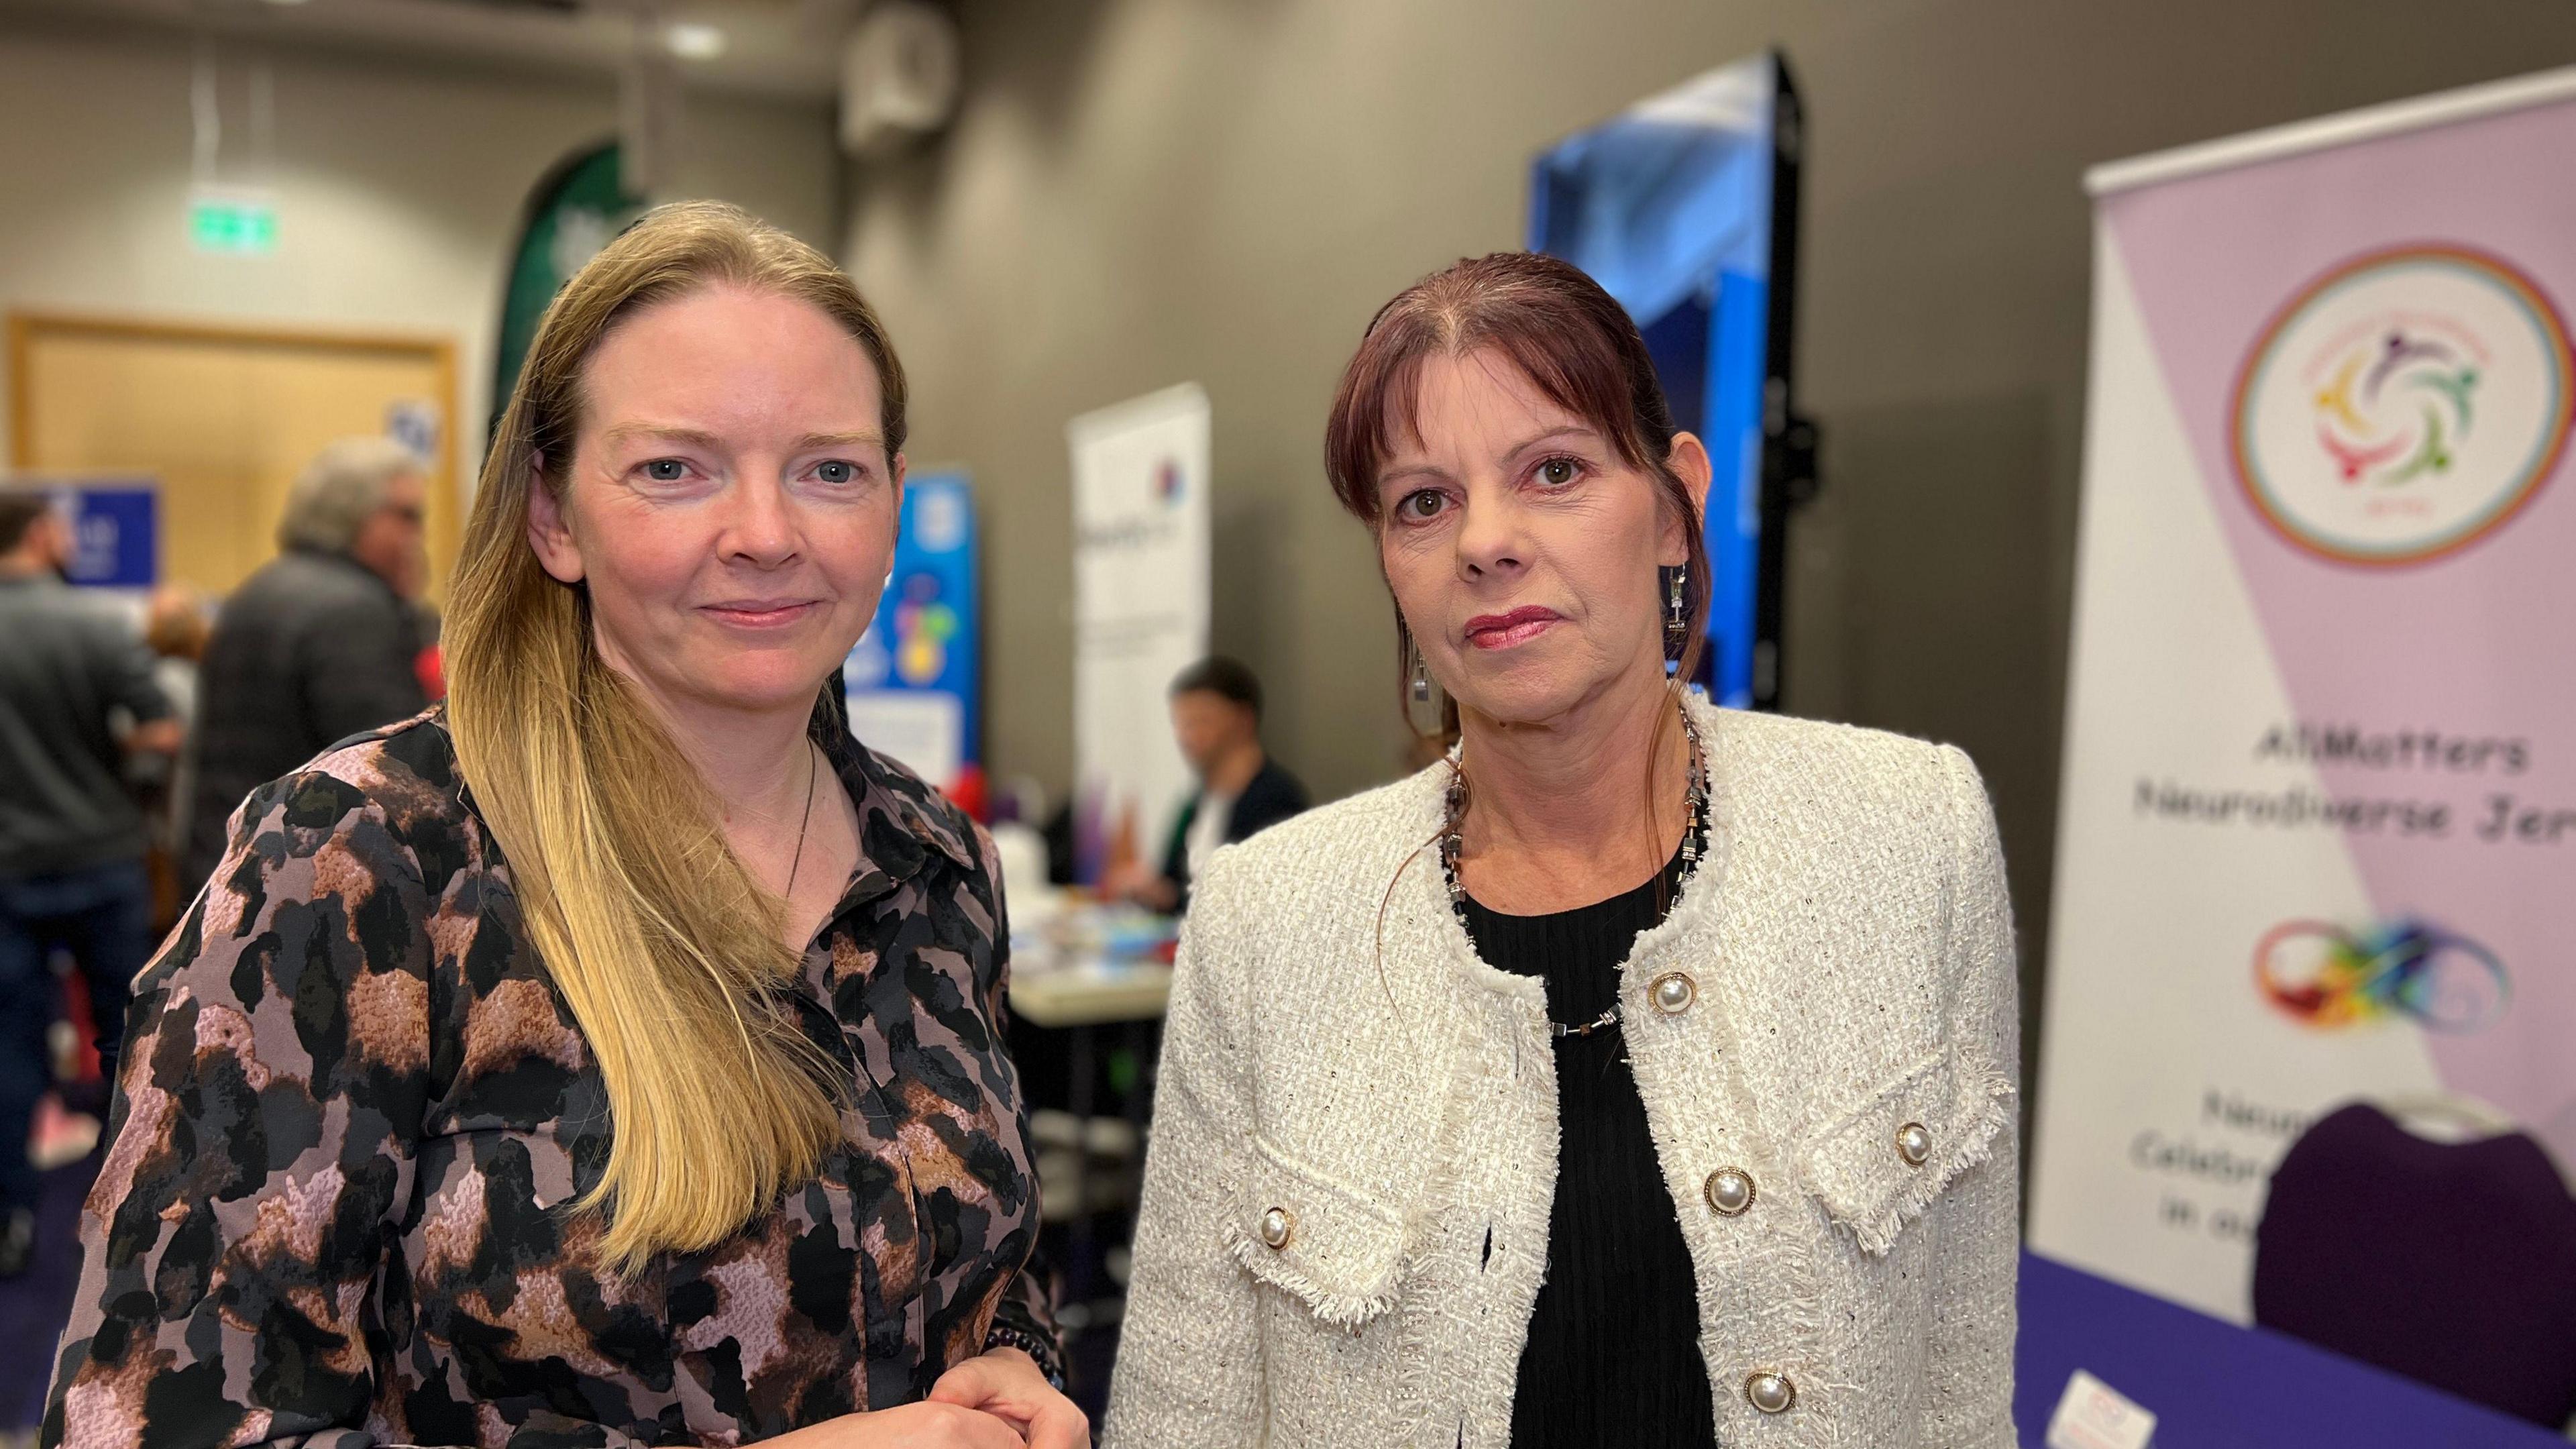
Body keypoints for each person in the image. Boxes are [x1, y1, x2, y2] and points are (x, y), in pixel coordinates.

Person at [47, 203, 1083, 1449]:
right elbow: (154, 1423)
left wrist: (1015, 1353)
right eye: (672, 469)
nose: (766, 533)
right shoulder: (362, 863)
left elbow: (977, 1254)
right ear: (553, 518)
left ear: (892, 504)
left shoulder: (933, 863)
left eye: (830, 469)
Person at [1108, 253, 2020, 1446]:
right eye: (1423, 502)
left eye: (1555, 471)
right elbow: (1186, 1411)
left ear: (1674, 506)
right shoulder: (1269, 916)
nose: (1486, 542)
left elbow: (1959, 1382)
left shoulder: (1911, 836)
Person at [0, 494, 178, 1277]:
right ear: (41, 534)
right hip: (103, 858)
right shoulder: (95, 625)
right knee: (127, 1040)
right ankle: (135, 1212)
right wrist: (124, 771)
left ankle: (10, 1224)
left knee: (11, 1049)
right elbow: (161, 727)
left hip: (7, 867)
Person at [182, 436, 433, 894]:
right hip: (300, 879)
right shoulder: (354, 611)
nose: (418, 535)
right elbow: (394, 765)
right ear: (353, 514)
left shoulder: (256, 589)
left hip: (231, 857)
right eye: (406, 516)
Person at [1106, 655, 1308, 912]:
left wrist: (1170, 897)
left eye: (1202, 721)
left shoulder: (1277, 801)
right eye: (1181, 723)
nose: (1188, 736)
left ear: (1243, 719)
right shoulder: (1196, 801)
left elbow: (1261, 902)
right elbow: (1171, 879)